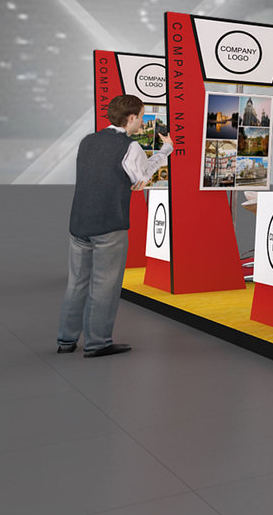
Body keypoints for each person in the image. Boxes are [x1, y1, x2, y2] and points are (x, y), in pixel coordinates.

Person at [58, 94, 173, 357]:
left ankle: (66, 340)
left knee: (76, 283)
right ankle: (97, 343)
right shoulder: (130, 147)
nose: (142, 122)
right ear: (131, 118)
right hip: (108, 224)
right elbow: (141, 179)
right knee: (105, 285)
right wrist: (165, 150)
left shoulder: (87, 141)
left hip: (79, 222)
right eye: (141, 117)